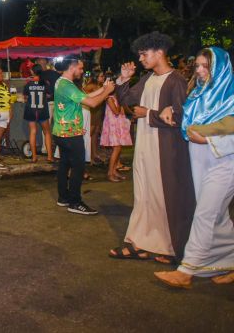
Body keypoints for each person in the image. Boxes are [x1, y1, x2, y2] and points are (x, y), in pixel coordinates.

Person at [109, 32, 195, 263]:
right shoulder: (148, 78)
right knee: (144, 196)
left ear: (159, 53)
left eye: (144, 54)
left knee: (167, 198)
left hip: (166, 151)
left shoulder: (176, 80)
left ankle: (173, 248)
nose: (140, 59)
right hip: (146, 147)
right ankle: (141, 242)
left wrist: (149, 114)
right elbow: (127, 102)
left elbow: (180, 118)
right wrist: (123, 80)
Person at [154, 47, 234, 288]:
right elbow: (191, 120)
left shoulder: (231, 96)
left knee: (205, 213)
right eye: (197, 65)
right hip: (200, 160)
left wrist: (209, 138)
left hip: (225, 162)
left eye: (205, 66)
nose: (199, 70)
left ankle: (186, 271)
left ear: (219, 68)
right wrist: (172, 110)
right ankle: (230, 260)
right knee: (216, 215)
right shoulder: (198, 93)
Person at [52, 56, 114, 215]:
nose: (82, 71)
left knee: (65, 164)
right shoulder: (67, 86)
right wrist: (106, 92)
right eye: (80, 68)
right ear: (72, 68)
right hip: (70, 134)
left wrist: (104, 88)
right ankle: (75, 202)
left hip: (62, 132)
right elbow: (92, 103)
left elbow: (88, 97)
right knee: (78, 168)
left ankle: (63, 197)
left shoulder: (62, 82)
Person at [21, 64, 53, 163]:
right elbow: (49, 94)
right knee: (47, 132)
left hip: (31, 110)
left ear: (33, 72)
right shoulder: (44, 83)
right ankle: (49, 156)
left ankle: (34, 157)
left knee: (33, 132)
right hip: (42, 111)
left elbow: (25, 97)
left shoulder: (28, 84)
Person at [100, 90, 132, 182]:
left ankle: (114, 171)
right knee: (116, 149)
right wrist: (120, 103)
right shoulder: (110, 99)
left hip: (118, 125)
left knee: (119, 148)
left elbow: (122, 112)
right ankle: (110, 173)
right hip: (113, 125)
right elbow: (116, 111)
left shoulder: (116, 98)